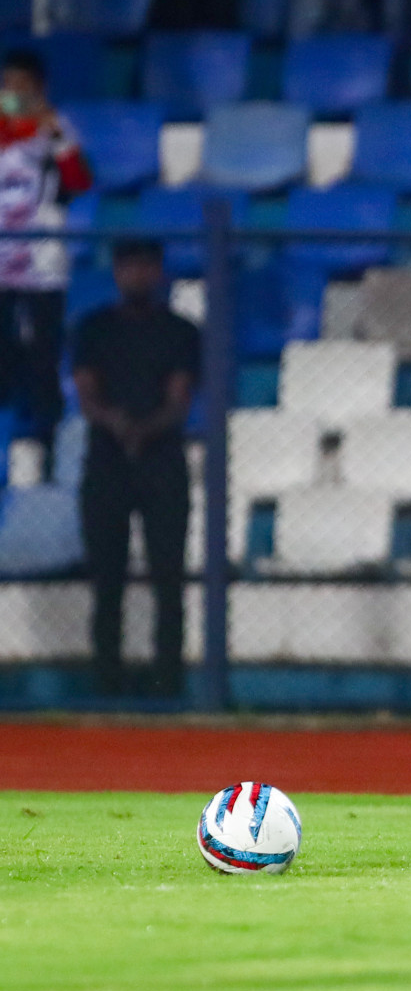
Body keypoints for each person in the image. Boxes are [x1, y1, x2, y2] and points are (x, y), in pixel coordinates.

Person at [73, 240, 201, 698]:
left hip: (162, 460)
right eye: (128, 267)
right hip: (107, 462)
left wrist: (144, 429)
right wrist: (115, 423)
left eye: (145, 267)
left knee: (168, 576)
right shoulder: (94, 329)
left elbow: (179, 397)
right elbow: (86, 393)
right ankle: (107, 680)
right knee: (106, 579)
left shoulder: (180, 331)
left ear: (159, 271)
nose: (137, 276)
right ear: (116, 272)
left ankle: (169, 681)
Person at [0, 48, 91, 482]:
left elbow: (79, 183)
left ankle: (50, 451)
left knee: (43, 358)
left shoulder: (57, 132)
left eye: (23, 88)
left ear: (41, 90)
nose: (14, 95)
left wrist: (57, 136)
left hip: (42, 269)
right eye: (8, 86)